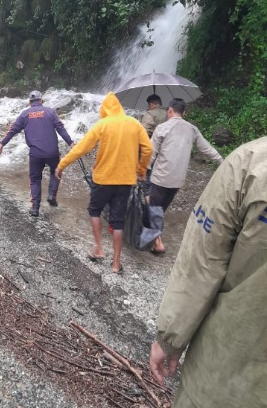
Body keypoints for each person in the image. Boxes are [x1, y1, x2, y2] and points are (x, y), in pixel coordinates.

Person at [149, 136, 267, 408]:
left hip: (226, 370)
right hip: (175, 181)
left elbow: (202, 261)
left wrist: (169, 338)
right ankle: (155, 239)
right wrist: (217, 159)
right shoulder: (190, 129)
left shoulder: (250, 163)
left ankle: (151, 240)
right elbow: (202, 147)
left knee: (152, 210)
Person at [55, 92, 152, 273]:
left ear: (105, 108)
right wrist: (141, 170)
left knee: (94, 210)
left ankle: (99, 248)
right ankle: (116, 263)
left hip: (103, 180)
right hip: (125, 181)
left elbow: (81, 149)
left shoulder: (102, 124)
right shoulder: (134, 124)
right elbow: (148, 148)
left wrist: (61, 165)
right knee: (117, 221)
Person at [149, 97, 223, 254]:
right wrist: (222, 161)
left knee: (154, 207)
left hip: (161, 177)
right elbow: (206, 149)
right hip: (177, 180)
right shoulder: (192, 129)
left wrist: (142, 170)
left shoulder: (162, 128)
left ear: (169, 110)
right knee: (161, 208)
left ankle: (157, 243)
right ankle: (153, 235)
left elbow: (151, 153)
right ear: (184, 113)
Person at [0, 90, 74, 217]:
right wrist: (71, 143)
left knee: (35, 180)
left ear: (30, 102)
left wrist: (2, 145)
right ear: (41, 101)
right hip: (52, 152)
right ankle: (52, 195)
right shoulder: (50, 112)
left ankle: (35, 208)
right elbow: (60, 128)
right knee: (56, 171)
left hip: (35, 154)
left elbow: (12, 130)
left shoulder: (25, 114)